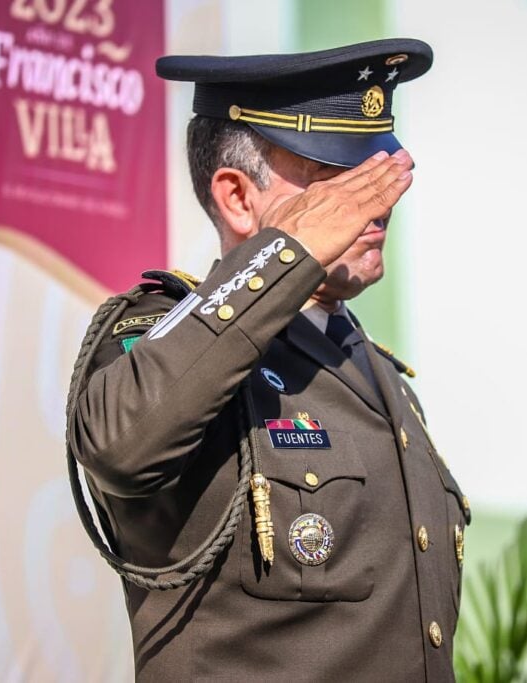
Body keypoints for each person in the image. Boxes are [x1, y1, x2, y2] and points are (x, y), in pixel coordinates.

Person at [67, 38, 470, 681]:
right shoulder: (156, 331)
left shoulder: (381, 377)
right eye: (336, 180)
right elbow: (120, 442)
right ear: (237, 197)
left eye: (377, 171)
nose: (376, 203)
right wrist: (291, 251)